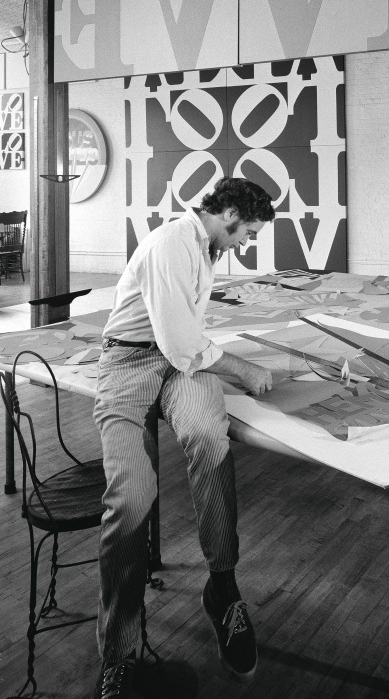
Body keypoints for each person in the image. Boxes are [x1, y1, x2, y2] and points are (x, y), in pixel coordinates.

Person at [92, 177, 276, 699]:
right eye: (250, 232)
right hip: (128, 364)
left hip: (179, 366)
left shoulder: (204, 247)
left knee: (208, 437)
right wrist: (242, 369)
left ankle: (222, 588)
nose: (249, 243)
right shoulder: (172, 243)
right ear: (230, 214)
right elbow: (178, 343)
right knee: (131, 500)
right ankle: (120, 655)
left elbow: (183, 345)